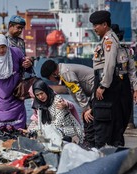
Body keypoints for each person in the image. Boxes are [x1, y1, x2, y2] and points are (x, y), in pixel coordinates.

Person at [89, 10, 132, 147]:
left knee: (103, 121)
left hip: (106, 85)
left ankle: (102, 152)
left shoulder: (109, 40)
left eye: (96, 25)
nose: (94, 28)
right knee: (113, 122)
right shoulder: (107, 39)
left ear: (105, 24)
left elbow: (110, 64)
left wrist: (103, 85)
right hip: (110, 84)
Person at [40, 60, 95, 147]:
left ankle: (90, 143)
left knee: (90, 117)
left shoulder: (65, 72)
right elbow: (73, 93)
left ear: (54, 73)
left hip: (98, 90)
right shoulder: (63, 74)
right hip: (93, 92)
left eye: (49, 78)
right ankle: (89, 142)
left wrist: (87, 108)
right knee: (87, 117)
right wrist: (84, 108)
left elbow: (78, 91)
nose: (52, 81)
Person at [29, 79, 84, 143]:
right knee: (33, 133)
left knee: (50, 134)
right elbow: (39, 122)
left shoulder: (57, 100)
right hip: (50, 130)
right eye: (37, 95)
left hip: (67, 130)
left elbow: (58, 123)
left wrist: (43, 130)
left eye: (42, 93)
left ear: (46, 91)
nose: (40, 97)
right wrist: (32, 130)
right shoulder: (38, 104)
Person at [111, 24, 137, 130]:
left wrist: (135, 88)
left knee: (126, 107)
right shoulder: (103, 50)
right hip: (109, 84)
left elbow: (132, 71)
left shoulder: (127, 51)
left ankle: (128, 123)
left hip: (123, 83)